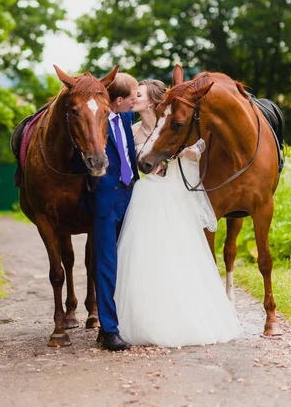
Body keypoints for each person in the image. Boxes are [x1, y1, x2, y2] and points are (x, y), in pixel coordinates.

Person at [114, 79, 242, 347]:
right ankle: (148, 317)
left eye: (138, 94)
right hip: (149, 195)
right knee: (147, 257)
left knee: (183, 253)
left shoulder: (172, 125)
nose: (133, 97)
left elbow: (199, 149)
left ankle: (189, 315)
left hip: (176, 193)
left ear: (151, 101)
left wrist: (182, 152)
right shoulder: (133, 130)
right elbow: (131, 162)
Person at [90, 72, 139, 351]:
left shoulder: (127, 117)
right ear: (118, 101)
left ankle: (130, 319)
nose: (135, 102)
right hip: (106, 200)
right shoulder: (97, 123)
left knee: (132, 260)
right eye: (132, 98)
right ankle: (109, 330)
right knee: (107, 264)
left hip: (131, 195)